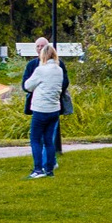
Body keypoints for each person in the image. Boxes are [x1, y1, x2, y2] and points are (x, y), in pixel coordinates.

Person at [20, 35, 69, 178]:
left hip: (41, 108)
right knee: (49, 140)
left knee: (35, 139)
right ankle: (49, 170)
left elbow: (27, 86)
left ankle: (37, 169)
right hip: (54, 108)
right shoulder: (59, 69)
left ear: (43, 55)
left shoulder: (40, 70)